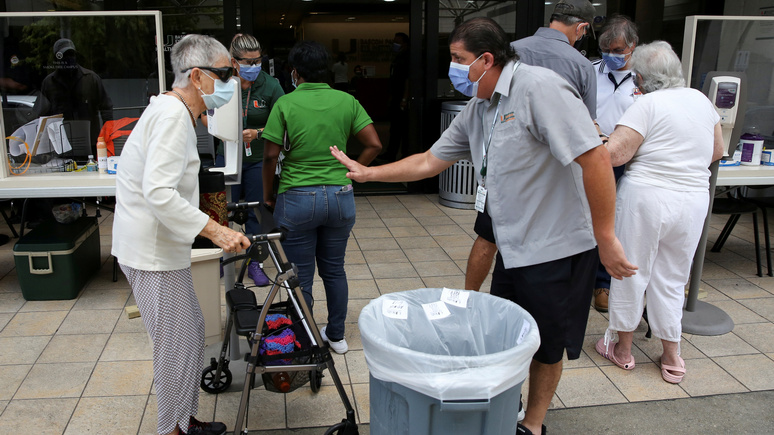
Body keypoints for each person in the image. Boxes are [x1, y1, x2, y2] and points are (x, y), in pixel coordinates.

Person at [331, 18, 636, 435]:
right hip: (514, 245)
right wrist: (370, 175)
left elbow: (594, 159)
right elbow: (428, 160)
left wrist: (606, 239)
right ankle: (508, 405)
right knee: (508, 336)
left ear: (486, 59)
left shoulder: (539, 89)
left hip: (556, 246)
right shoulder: (480, 106)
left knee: (545, 345)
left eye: (458, 59)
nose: (453, 67)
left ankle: (533, 423)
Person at [112, 34, 251, 435]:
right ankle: (170, 430)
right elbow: (159, 191)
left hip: (160, 249)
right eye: (225, 72)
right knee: (175, 347)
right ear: (197, 76)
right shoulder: (173, 116)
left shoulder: (174, 111)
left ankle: (184, 421)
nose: (233, 80)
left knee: (190, 337)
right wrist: (216, 231)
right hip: (151, 254)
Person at [596, 41, 724, 384]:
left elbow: (616, 156)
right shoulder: (701, 100)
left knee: (630, 271)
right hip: (693, 199)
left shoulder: (646, 104)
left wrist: (600, 138)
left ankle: (622, 350)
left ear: (641, 77)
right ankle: (671, 356)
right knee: (672, 277)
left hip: (647, 197)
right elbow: (717, 150)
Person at [465, 0, 598, 292]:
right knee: (541, 264)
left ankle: (470, 299)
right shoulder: (581, 65)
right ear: (582, 27)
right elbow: (588, 131)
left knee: (489, 239)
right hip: (552, 188)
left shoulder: (511, 50)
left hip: (503, 173)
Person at [261, 41, 382, 355]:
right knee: (334, 269)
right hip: (340, 197)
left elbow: (270, 157)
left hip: (297, 198)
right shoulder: (346, 100)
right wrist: (351, 172)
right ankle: (337, 336)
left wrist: (268, 196)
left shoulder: (285, 104)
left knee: (300, 274)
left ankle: (307, 337)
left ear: (295, 72)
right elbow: (374, 144)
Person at [217, 33, 285, 287]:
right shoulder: (221, 82)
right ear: (234, 62)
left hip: (258, 159)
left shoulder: (270, 85)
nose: (254, 66)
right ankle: (224, 258)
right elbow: (204, 114)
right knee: (223, 211)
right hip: (227, 157)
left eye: (258, 61)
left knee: (256, 212)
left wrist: (259, 133)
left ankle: (254, 263)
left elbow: (284, 123)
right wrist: (222, 129)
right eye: (248, 62)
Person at [591, 15, 639, 312]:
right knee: (588, 219)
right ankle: (583, 277)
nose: (611, 55)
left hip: (627, 159)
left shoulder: (646, 78)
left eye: (618, 50)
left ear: (632, 47)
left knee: (616, 221)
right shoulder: (590, 71)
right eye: (606, 49)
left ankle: (603, 284)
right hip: (593, 154)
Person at [34, 38, 113, 153]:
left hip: (90, 143)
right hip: (61, 146)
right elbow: (41, 115)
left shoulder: (91, 79)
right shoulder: (49, 83)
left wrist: (107, 134)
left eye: (71, 54)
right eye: (64, 55)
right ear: (57, 58)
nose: (69, 59)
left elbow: (106, 108)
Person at [382, 32, 410, 161]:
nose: (394, 44)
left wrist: (404, 98)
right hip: (396, 96)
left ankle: (405, 154)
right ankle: (391, 153)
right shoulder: (397, 57)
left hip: (402, 98)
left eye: (397, 42)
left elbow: (408, 80)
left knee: (402, 128)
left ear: (404, 43)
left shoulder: (407, 58)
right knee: (394, 128)